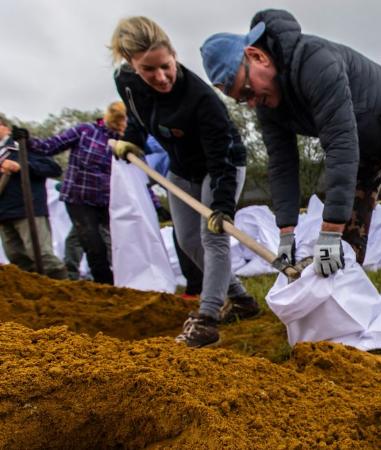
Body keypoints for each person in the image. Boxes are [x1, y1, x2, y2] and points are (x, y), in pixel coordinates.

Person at [200, 9, 381, 356]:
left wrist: (328, 229)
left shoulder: (314, 62)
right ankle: (348, 314)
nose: (250, 101)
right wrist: (286, 233)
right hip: (359, 142)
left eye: (247, 90)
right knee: (348, 234)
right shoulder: (268, 104)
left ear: (256, 56)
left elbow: (339, 142)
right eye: (241, 100)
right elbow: (283, 164)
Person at [108, 16, 258, 348]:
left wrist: (220, 205)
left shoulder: (201, 99)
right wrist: (131, 140)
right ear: (132, 65)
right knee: (188, 240)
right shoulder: (127, 82)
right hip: (181, 169)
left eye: (166, 66)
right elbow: (137, 116)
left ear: (174, 55)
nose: (161, 77)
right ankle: (243, 301)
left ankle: (207, 317)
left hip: (221, 166)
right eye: (150, 70)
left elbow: (220, 158)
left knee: (212, 236)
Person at [16, 103, 127, 285]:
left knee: (117, 244)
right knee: (93, 245)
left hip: (108, 200)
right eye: (121, 121)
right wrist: (27, 141)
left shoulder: (125, 142)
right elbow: (50, 146)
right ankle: (106, 287)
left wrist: (154, 203)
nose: (123, 126)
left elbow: (137, 175)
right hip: (79, 198)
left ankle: (127, 282)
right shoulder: (85, 131)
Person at [0, 115, 67, 279]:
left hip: (27, 210)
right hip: (4, 213)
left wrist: (22, 166)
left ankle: (64, 289)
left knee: (42, 256)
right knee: (16, 258)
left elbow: (53, 168)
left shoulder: (23, 146)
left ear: (6, 128)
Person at [144, 134, 203, 299]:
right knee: (184, 235)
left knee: (190, 235)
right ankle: (197, 286)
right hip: (180, 184)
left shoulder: (153, 141)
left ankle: (201, 286)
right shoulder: (149, 140)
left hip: (192, 180)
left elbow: (143, 175)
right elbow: (143, 178)